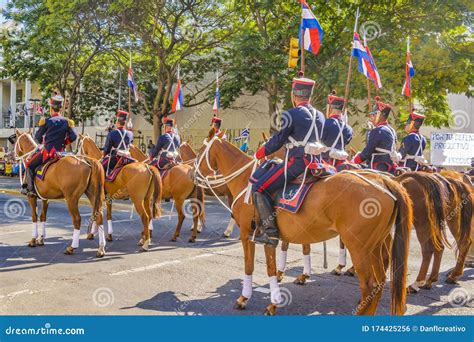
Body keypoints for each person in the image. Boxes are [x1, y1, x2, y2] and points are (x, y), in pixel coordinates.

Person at [250, 77, 324, 247]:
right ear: (310, 96)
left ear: (293, 95)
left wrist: (260, 153)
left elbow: (277, 141)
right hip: (317, 163)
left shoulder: (291, 114)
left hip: (297, 163)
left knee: (258, 188)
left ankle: (271, 234)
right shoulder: (320, 115)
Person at [21, 93, 77, 196]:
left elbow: (37, 137)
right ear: (60, 108)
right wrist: (65, 142)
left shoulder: (46, 121)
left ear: (52, 107)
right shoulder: (68, 122)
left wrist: (44, 141)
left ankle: (31, 189)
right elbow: (74, 136)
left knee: (29, 165)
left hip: (48, 153)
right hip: (62, 152)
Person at [352, 96, 400, 173]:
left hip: (377, 167)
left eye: (373, 115)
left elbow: (366, 153)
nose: (371, 117)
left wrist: (354, 160)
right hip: (390, 166)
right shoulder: (392, 130)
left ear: (378, 114)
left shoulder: (376, 131)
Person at [320, 91, 353, 169]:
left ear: (330, 108)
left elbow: (319, 140)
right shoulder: (349, 129)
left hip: (325, 161)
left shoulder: (325, 123)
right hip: (341, 164)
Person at [102, 110, 134, 174]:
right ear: (125, 122)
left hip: (116, 159)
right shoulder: (130, 134)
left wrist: (104, 156)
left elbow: (107, 149)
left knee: (101, 167)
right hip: (128, 159)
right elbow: (130, 145)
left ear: (117, 122)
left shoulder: (112, 133)